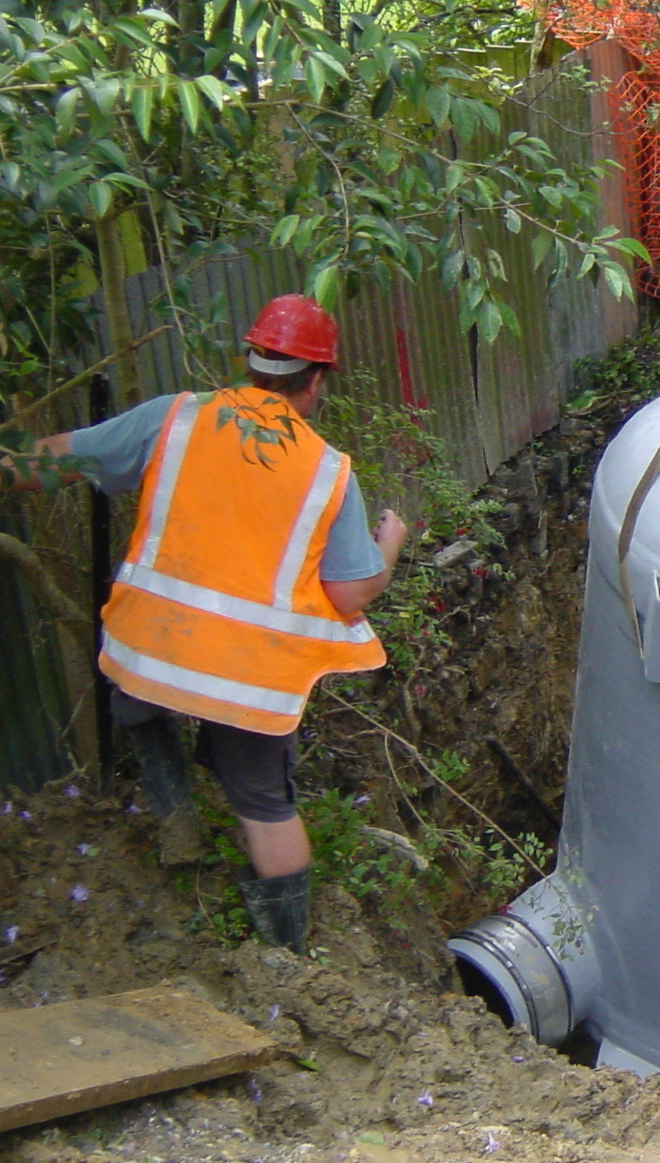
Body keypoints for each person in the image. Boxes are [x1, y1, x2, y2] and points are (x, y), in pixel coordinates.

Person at [2, 295, 408, 951]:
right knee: (265, 806)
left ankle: (176, 817)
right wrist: (389, 542)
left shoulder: (178, 418)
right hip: (250, 684)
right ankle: (289, 959)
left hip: (151, 653)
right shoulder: (329, 471)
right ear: (317, 381)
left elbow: (51, 461)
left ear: (251, 363)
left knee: (133, 692)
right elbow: (351, 592)